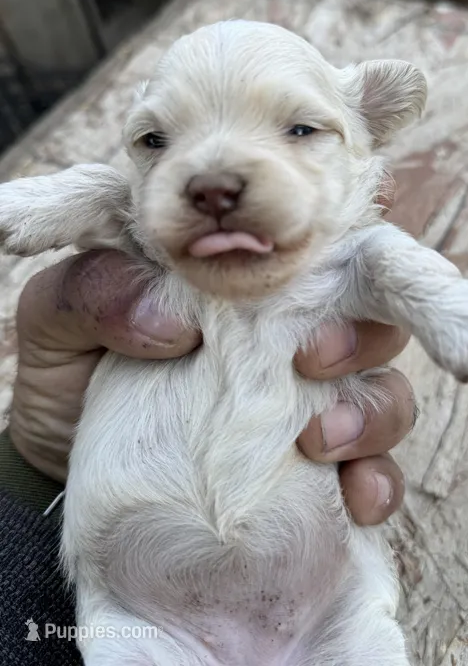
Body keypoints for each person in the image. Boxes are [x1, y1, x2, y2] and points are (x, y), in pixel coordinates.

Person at [0, 181, 416, 665]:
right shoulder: (143, 213)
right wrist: (37, 472)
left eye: (298, 139)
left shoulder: (341, 238)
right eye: (157, 143)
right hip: (148, 618)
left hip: (323, 615)